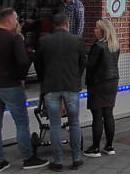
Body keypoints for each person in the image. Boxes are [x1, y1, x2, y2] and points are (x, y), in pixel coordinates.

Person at [0, 7, 48, 172]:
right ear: (8, 20)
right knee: (21, 123)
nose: (17, 21)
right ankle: (28, 158)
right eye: (15, 18)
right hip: (11, 85)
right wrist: (20, 77)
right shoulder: (14, 38)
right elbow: (23, 61)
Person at [35, 13, 86, 171]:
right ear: (67, 24)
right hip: (71, 86)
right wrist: (76, 78)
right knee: (74, 122)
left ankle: (58, 161)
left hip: (51, 86)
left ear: (54, 26)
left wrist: (44, 79)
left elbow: (37, 63)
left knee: (55, 124)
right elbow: (82, 63)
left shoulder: (44, 41)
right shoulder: (77, 40)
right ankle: (76, 158)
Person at [83, 20, 120, 158]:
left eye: (97, 28)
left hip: (99, 82)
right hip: (113, 81)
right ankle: (109, 146)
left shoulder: (98, 46)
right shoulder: (115, 45)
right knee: (108, 113)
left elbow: (90, 65)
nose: (94, 30)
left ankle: (95, 148)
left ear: (103, 31)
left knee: (97, 115)